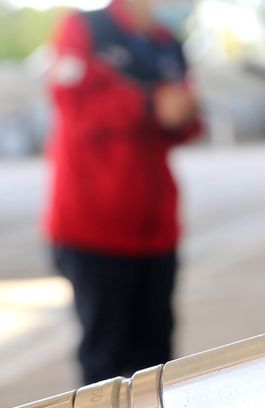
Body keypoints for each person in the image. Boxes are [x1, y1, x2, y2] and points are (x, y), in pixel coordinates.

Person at [44, 0, 201, 384]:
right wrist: (148, 104)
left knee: (156, 363)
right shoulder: (85, 28)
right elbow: (73, 102)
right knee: (104, 363)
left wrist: (183, 112)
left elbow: (183, 122)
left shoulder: (168, 43)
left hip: (155, 227)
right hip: (93, 226)